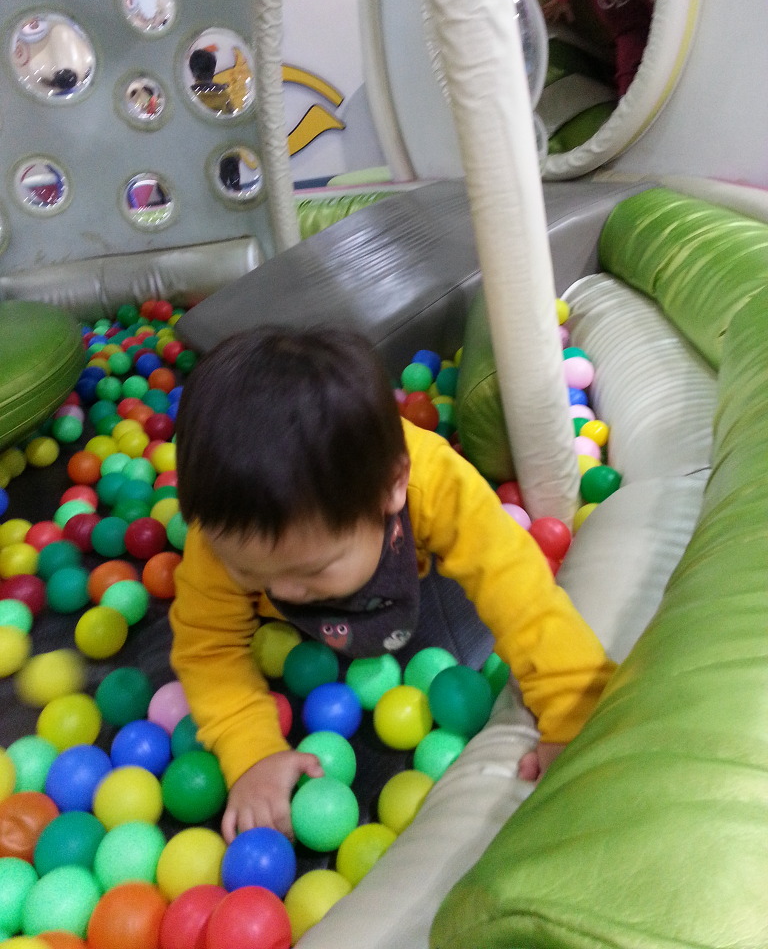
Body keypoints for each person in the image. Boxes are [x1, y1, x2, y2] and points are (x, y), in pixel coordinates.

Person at [169, 327, 616, 843]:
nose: (283, 592)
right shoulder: (221, 542)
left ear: (391, 487)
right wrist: (251, 753)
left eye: (313, 571)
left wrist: (572, 708)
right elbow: (208, 646)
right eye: (252, 574)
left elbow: (516, 585)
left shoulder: (434, 483)